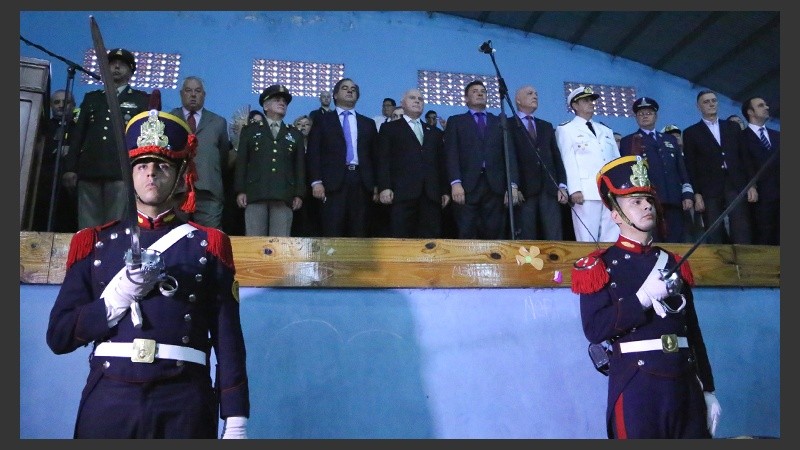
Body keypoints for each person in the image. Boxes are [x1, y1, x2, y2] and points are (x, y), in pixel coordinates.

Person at [46, 109, 250, 438]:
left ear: (182, 172)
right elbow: (59, 336)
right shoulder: (94, 243)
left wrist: (236, 416)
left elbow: (228, 338)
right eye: (142, 165)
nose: (151, 174)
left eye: (163, 165)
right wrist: (115, 299)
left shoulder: (208, 244)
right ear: (130, 174)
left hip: (184, 401)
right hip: (110, 399)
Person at [572, 154, 720, 439]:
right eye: (635, 202)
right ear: (616, 215)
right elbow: (595, 329)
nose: (646, 206)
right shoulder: (597, 266)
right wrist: (642, 298)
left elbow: (693, 332)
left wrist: (709, 389)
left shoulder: (673, 261)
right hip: (637, 385)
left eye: (648, 200)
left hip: (685, 383)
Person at [63, 48, 151, 229]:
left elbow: (145, 138)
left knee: (116, 227)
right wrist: (70, 168)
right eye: (112, 63)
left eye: (122, 64)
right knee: (88, 227)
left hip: (121, 171)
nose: (116, 67)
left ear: (131, 71)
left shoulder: (141, 100)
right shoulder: (92, 98)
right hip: (89, 170)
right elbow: (78, 135)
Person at [443, 79, 519, 239]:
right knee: (466, 232)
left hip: (495, 186)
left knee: (495, 232)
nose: (480, 93)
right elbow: (451, 154)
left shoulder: (499, 121)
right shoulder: (456, 121)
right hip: (466, 186)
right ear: (466, 98)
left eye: (483, 91)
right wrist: (455, 183)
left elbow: (509, 154)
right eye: (475, 91)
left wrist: (512, 185)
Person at [306, 78, 377, 237]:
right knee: (333, 230)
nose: (350, 90)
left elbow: (375, 156)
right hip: (332, 183)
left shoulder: (368, 123)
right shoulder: (322, 121)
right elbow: (314, 152)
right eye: (345, 88)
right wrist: (316, 182)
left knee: (359, 231)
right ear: (335, 95)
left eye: (353, 89)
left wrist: (376, 184)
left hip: (362, 182)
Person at [682, 90, 755, 244]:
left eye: (714, 100)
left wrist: (751, 185)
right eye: (706, 102)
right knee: (714, 229)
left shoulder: (733, 127)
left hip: (735, 183)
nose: (711, 104)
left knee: (741, 226)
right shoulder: (690, 133)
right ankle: (721, 265)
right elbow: (690, 166)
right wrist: (697, 194)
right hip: (708, 187)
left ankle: (743, 263)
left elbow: (744, 158)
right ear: (698, 106)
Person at [618, 97, 694, 243]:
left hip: (674, 199)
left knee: (678, 240)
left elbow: (681, 169)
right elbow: (628, 173)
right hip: (649, 200)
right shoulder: (629, 141)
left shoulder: (669, 140)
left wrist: (687, 194)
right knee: (653, 241)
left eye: (648, 113)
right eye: (641, 114)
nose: (645, 116)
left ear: (656, 116)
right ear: (636, 118)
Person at [376, 88, 449, 238]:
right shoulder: (390, 128)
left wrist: (444, 190)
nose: (417, 101)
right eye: (412, 98)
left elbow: (441, 164)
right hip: (402, 194)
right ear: (402, 103)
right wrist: (384, 187)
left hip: (431, 196)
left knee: (430, 243)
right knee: (401, 239)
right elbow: (383, 159)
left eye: (420, 99)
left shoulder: (434, 132)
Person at [234, 85, 305, 236]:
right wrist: (241, 190)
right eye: (277, 100)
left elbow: (299, 167)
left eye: (285, 102)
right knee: (254, 241)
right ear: (265, 105)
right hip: (256, 193)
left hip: (283, 194)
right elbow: (242, 162)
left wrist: (299, 193)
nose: (282, 103)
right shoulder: (250, 130)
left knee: (280, 242)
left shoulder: (294, 134)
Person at [556, 86, 621, 242]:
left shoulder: (605, 130)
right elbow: (567, 159)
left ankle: (609, 266)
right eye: (586, 101)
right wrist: (575, 189)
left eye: (592, 100)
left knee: (612, 234)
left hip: (609, 190)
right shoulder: (566, 129)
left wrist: (618, 188)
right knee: (586, 237)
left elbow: (616, 160)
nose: (591, 103)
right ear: (575, 106)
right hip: (586, 191)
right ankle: (589, 266)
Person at [170, 76, 233, 229]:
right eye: (188, 90)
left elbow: (223, 157)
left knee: (210, 241)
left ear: (204, 95)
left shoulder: (218, 122)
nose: (193, 95)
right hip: (177, 190)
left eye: (198, 91)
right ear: (181, 94)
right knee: (175, 239)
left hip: (208, 192)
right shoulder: (170, 118)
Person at [511, 84, 569, 240]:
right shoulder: (508, 125)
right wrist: (513, 185)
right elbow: (508, 157)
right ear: (518, 99)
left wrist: (562, 185)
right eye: (530, 93)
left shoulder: (546, 126)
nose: (535, 96)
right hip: (524, 189)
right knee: (527, 236)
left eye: (536, 93)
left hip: (549, 189)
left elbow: (556, 157)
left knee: (554, 234)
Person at [33, 89, 78, 232]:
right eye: (56, 102)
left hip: (70, 192)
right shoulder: (40, 128)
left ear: (74, 105)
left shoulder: (78, 129)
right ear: (51, 106)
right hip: (43, 188)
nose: (61, 105)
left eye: (66, 102)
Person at [741, 96, 779, 245]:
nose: (767, 107)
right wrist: (751, 185)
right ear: (750, 112)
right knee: (765, 236)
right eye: (761, 105)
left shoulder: (778, 136)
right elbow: (743, 164)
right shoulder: (741, 137)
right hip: (760, 197)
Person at [290, 114, 322, 237]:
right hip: (295, 189)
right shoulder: (289, 145)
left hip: (313, 190)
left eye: (307, 124)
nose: (303, 127)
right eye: (299, 124)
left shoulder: (317, 146)